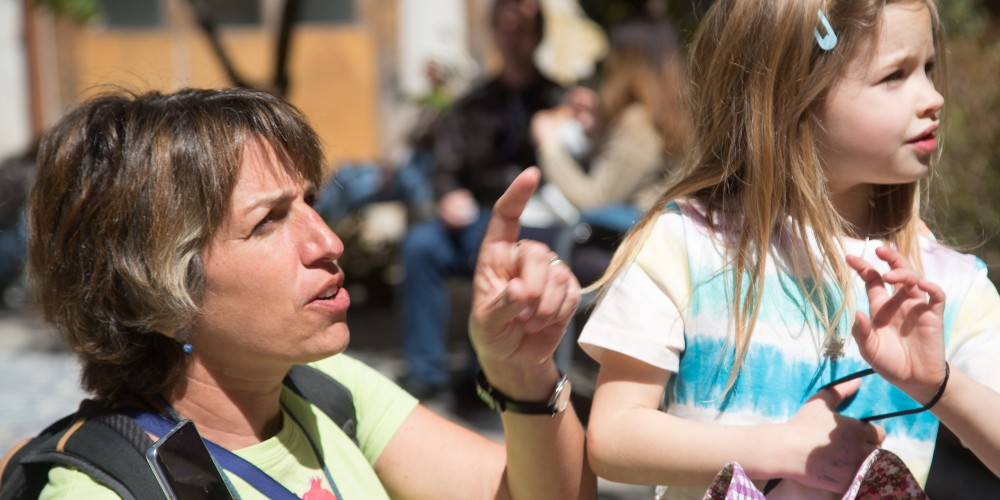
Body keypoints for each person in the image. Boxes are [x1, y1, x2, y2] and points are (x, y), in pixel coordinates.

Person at [24, 86, 594, 499]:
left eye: (312, 203)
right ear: (152, 287)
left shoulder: (326, 389)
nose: (327, 241)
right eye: (268, 220)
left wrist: (522, 372)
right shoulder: (106, 490)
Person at [579, 0, 1000, 498]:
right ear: (793, 91)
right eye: (894, 75)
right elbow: (613, 437)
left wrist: (939, 385)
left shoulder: (942, 287)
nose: (933, 98)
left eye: (928, 69)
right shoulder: (686, 245)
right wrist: (781, 449)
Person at [397, 0, 564, 399]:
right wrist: (447, 196)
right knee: (420, 245)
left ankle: (483, 373)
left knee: (485, 246)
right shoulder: (473, 103)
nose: (513, 39)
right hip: (472, 215)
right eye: (505, 29)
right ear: (494, 35)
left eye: (522, 30)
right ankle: (426, 370)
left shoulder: (559, 100)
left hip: (532, 221)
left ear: (538, 35)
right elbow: (446, 168)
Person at [530, 14, 688, 285]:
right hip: (656, 244)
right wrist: (601, 130)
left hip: (630, 249)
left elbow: (596, 199)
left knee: (525, 238)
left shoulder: (639, 122)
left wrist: (549, 145)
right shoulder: (669, 114)